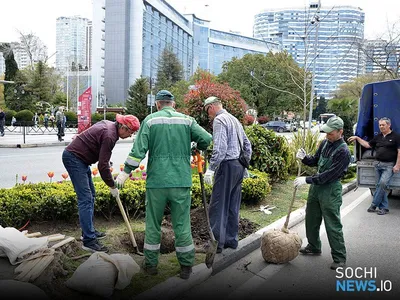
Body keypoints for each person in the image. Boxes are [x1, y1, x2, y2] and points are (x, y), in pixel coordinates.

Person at [115, 90, 212, 280]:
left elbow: (138, 152)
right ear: (173, 104)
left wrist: (124, 174)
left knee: (153, 224)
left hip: (157, 182)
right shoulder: (187, 120)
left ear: (158, 104)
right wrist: (193, 145)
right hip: (181, 181)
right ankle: (186, 267)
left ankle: (151, 265)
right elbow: (207, 139)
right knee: (182, 224)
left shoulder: (150, 121)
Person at [62, 114, 140, 252]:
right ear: (122, 127)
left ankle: (88, 231)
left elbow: (94, 143)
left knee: (91, 195)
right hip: (74, 159)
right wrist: (112, 185)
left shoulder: (108, 125)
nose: (130, 136)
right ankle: (89, 241)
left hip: (81, 159)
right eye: (130, 132)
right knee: (85, 199)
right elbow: (102, 166)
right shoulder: (110, 135)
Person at [294, 116, 351, 270]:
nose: (327, 136)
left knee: (332, 223)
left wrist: (307, 180)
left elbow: (329, 175)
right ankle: (313, 246)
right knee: (311, 218)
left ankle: (339, 258)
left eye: (330, 133)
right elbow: (315, 160)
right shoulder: (325, 143)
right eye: (326, 133)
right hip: (316, 188)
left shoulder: (344, 152)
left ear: (340, 131)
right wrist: (305, 158)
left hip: (330, 189)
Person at [203, 96, 252, 254]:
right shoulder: (234, 119)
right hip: (238, 166)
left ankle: (217, 243)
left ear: (211, 107)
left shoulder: (219, 120)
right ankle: (231, 240)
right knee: (232, 205)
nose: (208, 114)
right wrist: (244, 164)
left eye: (207, 111)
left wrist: (211, 168)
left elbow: (221, 147)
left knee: (218, 205)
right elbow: (247, 145)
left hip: (227, 165)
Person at [348, 117, 400, 215]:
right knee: (379, 186)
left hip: (389, 165)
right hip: (377, 165)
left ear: (389, 125)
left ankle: (373, 204)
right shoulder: (378, 137)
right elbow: (368, 145)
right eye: (380, 125)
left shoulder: (396, 137)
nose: (381, 127)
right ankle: (384, 208)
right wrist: (357, 138)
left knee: (382, 184)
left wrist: (397, 165)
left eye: (383, 125)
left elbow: (399, 152)